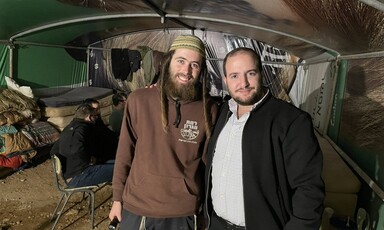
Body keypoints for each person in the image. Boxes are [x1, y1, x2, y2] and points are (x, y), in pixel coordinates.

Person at [204, 47, 325, 230]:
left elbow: (308, 189)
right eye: (235, 76)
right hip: (217, 224)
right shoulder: (222, 113)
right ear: (225, 80)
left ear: (261, 73)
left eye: (250, 73)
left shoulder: (291, 121)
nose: (243, 83)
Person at [108, 34, 218, 230]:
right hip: (138, 207)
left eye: (195, 65)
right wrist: (117, 198)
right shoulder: (139, 100)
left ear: (201, 71)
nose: (186, 71)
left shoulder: (209, 109)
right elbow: (125, 152)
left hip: (182, 211)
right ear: (168, 62)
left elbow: (208, 167)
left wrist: (205, 210)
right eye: (181, 61)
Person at [50, 103, 114, 188]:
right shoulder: (83, 129)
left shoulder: (69, 128)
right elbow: (77, 150)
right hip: (79, 176)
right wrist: (89, 160)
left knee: (119, 163)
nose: (96, 118)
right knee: (122, 169)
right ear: (89, 117)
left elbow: (53, 151)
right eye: (95, 116)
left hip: (71, 174)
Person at [83, 97, 118, 162]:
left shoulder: (98, 120)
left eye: (99, 109)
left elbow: (106, 132)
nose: (98, 112)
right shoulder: (86, 126)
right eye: (95, 110)